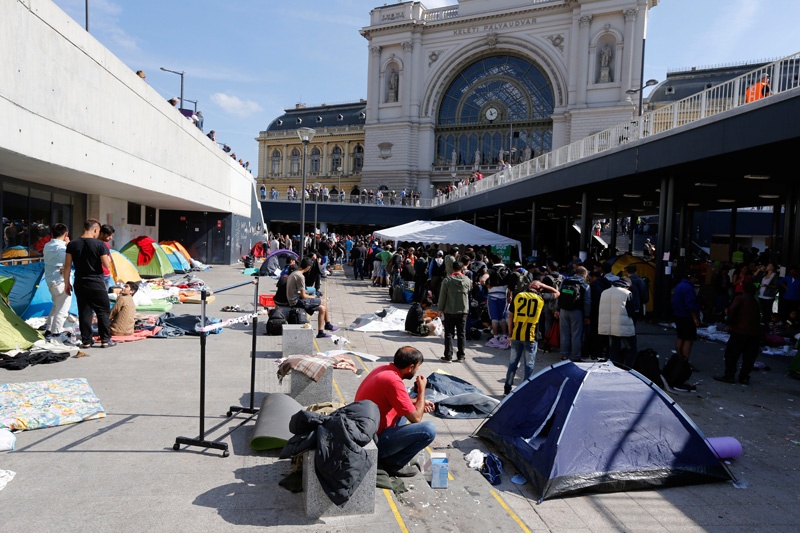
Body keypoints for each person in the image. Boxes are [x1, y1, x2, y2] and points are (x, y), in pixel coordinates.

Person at [354, 346, 435, 477]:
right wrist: (421, 390)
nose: (417, 371)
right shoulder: (393, 381)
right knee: (428, 429)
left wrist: (416, 402)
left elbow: (398, 399)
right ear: (410, 367)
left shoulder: (383, 370)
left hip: (366, 429)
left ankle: (393, 454)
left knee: (406, 411)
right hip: (374, 442)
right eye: (417, 367)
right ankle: (394, 463)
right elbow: (416, 418)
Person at [63, 219, 115, 349]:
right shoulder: (100, 245)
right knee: (102, 311)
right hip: (96, 282)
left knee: (84, 311)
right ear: (96, 230)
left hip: (80, 281)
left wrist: (66, 284)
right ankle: (105, 340)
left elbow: (67, 266)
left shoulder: (72, 244)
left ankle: (86, 341)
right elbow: (107, 265)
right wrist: (108, 258)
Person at [504, 279, 558, 395]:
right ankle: (525, 390)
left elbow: (510, 317)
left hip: (516, 335)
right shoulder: (541, 297)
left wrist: (510, 333)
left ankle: (507, 388)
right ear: (539, 288)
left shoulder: (519, 296)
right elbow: (557, 293)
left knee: (513, 363)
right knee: (529, 365)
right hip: (531, 336)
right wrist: (544, 285)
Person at [714, 282, 761, 385]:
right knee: (748, 356)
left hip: (740, 331)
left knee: (732, 354)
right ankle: (744, 377)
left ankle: (729, 375)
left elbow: (732, 311)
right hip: (753, 333)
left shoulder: (740, 298)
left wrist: (730, 324)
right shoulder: (755, 302)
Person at [282, 257, 338, 338]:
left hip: (293, 298)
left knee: (322, 308)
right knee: (323, 301)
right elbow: (303, 295)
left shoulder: (294, 273)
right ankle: (328, 324)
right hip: (296, 301)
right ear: (308, 267)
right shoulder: (300, 276)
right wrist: (312, 297)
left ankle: (321, 331)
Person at [598, 278, 638, 367]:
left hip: (610, 325)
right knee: (632, 349)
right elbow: (631, 311)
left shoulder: (605, 292)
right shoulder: (626, 293)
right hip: (623, 325)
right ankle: (628, 368)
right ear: (626, 286)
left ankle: (613, 367)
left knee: (614, 348)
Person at [438, 260, 472, 363]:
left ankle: (448, 356)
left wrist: (440, 309)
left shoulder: (447, 281)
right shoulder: (467, 281)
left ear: (452, 269)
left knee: (449, 334)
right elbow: (470, 292)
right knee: (462, 333)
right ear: (462, 269)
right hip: (463, 311)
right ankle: (461, 356)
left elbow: (442, 296)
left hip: (450, 311)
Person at [42, 223, 71, 337]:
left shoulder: (47, 246)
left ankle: (49, 329)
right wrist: (69, 245)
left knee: (56, 306)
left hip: (50, 280)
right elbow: (69, 261)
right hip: (61, 281)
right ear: (66, 235)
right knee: (62, 309)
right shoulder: (62, 248)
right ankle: (56, 332)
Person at [558, 266, 590, 362]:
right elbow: (587, 301)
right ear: (584, 274)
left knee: (564, 333)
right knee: (576, 334)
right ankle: (575, 356)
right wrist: (587, 315)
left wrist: (557, 309)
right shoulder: (585, 285)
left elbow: (559, 295)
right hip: (577, 311)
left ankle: (564, 355)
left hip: (563, 310)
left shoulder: (565, 281)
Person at [672, 271, 701, 363]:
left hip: (678, 314)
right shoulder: (688, 288)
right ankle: (684, 361)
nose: (695, 280)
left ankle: (679, 358)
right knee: (688, 339)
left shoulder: (679, 286)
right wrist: (695, 318)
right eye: (694, 278)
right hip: (686, 316)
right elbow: (691, 305)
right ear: (691, 277)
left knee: (681, 336)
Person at [99, 224, 115, 290]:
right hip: (103, 274)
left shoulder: (104, 244)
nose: (110, 238)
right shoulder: (104, 244)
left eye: (111, 235)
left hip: (102, 274)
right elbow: (107, 261)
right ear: (102, 233)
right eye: (108, 235)